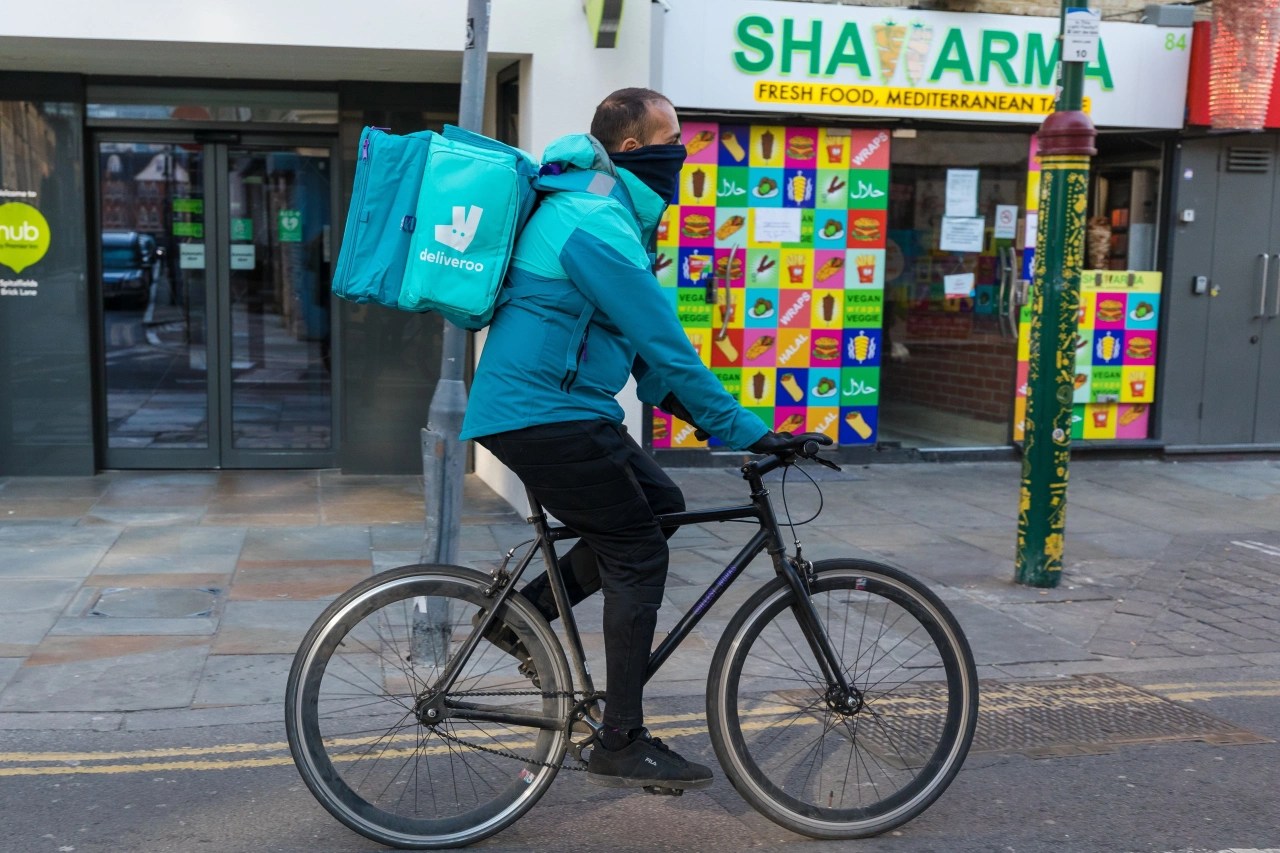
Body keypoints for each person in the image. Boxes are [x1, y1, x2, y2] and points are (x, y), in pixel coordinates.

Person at [460, 87, 793, 791]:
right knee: (636, 550)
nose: (683, 153)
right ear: (635, 148)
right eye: (674, 140)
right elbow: (666, 343)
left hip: (555, 410)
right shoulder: (592, 220)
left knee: (661, 505)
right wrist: (747, 430)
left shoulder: (601, 212)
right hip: (543, 413)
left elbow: (644, 361)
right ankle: (620, 738)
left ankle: (522, 619)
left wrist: (717, 424)